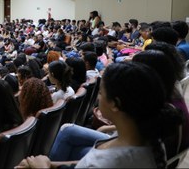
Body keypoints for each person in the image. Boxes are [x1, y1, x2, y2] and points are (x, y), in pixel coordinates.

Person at [17, 62, 183, 168]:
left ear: (115, 104)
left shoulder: (107, 163)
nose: (97, 98)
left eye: (101, 93)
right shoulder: (145, 134)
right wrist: (51, 165)